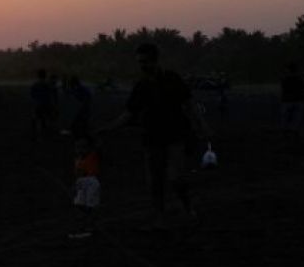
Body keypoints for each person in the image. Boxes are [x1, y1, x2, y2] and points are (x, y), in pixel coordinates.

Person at [99, 43, 210, 227]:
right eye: (140, 62)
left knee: (176, 177)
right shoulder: (141, 86)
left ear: (155, 60)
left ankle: (187, 207)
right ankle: (160, 215)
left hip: (175, 135)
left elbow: (189, 103)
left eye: (145, 61)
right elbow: (129, 113)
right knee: (155, 180)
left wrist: (203, 126)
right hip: (151, 138)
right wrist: (110, 127)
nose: (142, 65)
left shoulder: (172, 78)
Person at [70, 136, 101, 238]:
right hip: (82, 182)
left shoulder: (91, 156)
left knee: (90, 206)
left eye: (82, 147)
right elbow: (77, 173)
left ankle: (90, 227)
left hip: (90, 180)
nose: (79, 150)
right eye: (77, 147)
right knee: (80, 205)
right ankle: (83, 226)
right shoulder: (78, 159)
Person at [280, 62, 304, 136]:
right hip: (298, 99)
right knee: (297, 116)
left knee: (285, 116)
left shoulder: (285, 78)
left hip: (288, 100)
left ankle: (285, 129)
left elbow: (283, 88)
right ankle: (294, 130)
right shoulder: (300, 78)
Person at [30, 69, 56, 139]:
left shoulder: (35, 85)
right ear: (45, 75)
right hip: (46, 103)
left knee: (36, 119)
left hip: (38, 103)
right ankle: (45, 133)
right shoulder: (47, 85)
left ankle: (35, 134)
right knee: (45, 118)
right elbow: (50, 95)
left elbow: (32, 95)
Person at [66, 76, 93, 140]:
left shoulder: (80, 89)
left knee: (80, 122)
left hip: (84, 108)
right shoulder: (79, 89)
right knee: (81, 122)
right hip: (83, 108)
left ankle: (84, 137)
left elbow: (85, 98)